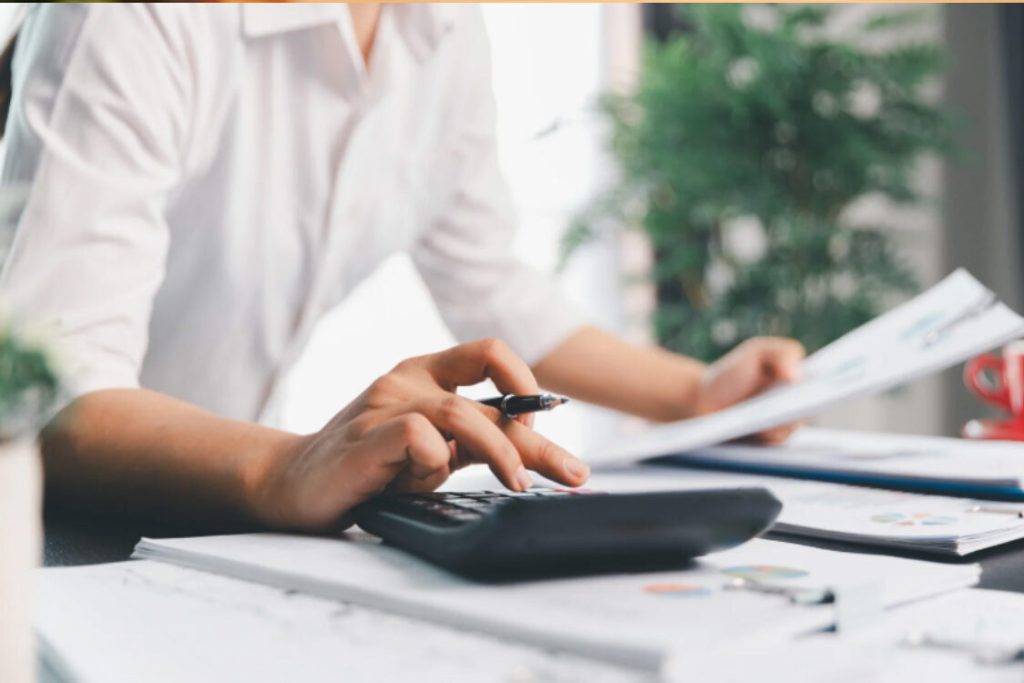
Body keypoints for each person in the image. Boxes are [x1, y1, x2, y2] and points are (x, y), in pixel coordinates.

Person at [0, 4, 804, 532]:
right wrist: (290, 463)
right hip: (41, 538)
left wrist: (696, 395)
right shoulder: (130, 16)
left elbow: (487, 279)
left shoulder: (441, 26)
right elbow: (44, 398)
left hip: (208, 526)